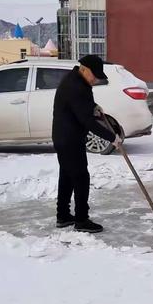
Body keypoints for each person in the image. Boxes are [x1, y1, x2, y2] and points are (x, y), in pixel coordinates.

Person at [52, 55, 121, 232]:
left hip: (64, 137)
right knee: (81, 178)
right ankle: (82, 220)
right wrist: (112, 137)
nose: (96, 79)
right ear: (84, 69)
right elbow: (87, 121)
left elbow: (80, 106)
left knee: (67, 176)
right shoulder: (76, 87)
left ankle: (63, 215)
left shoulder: (75, 80)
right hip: (70, 140)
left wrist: (93, 106)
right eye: (94, 75)